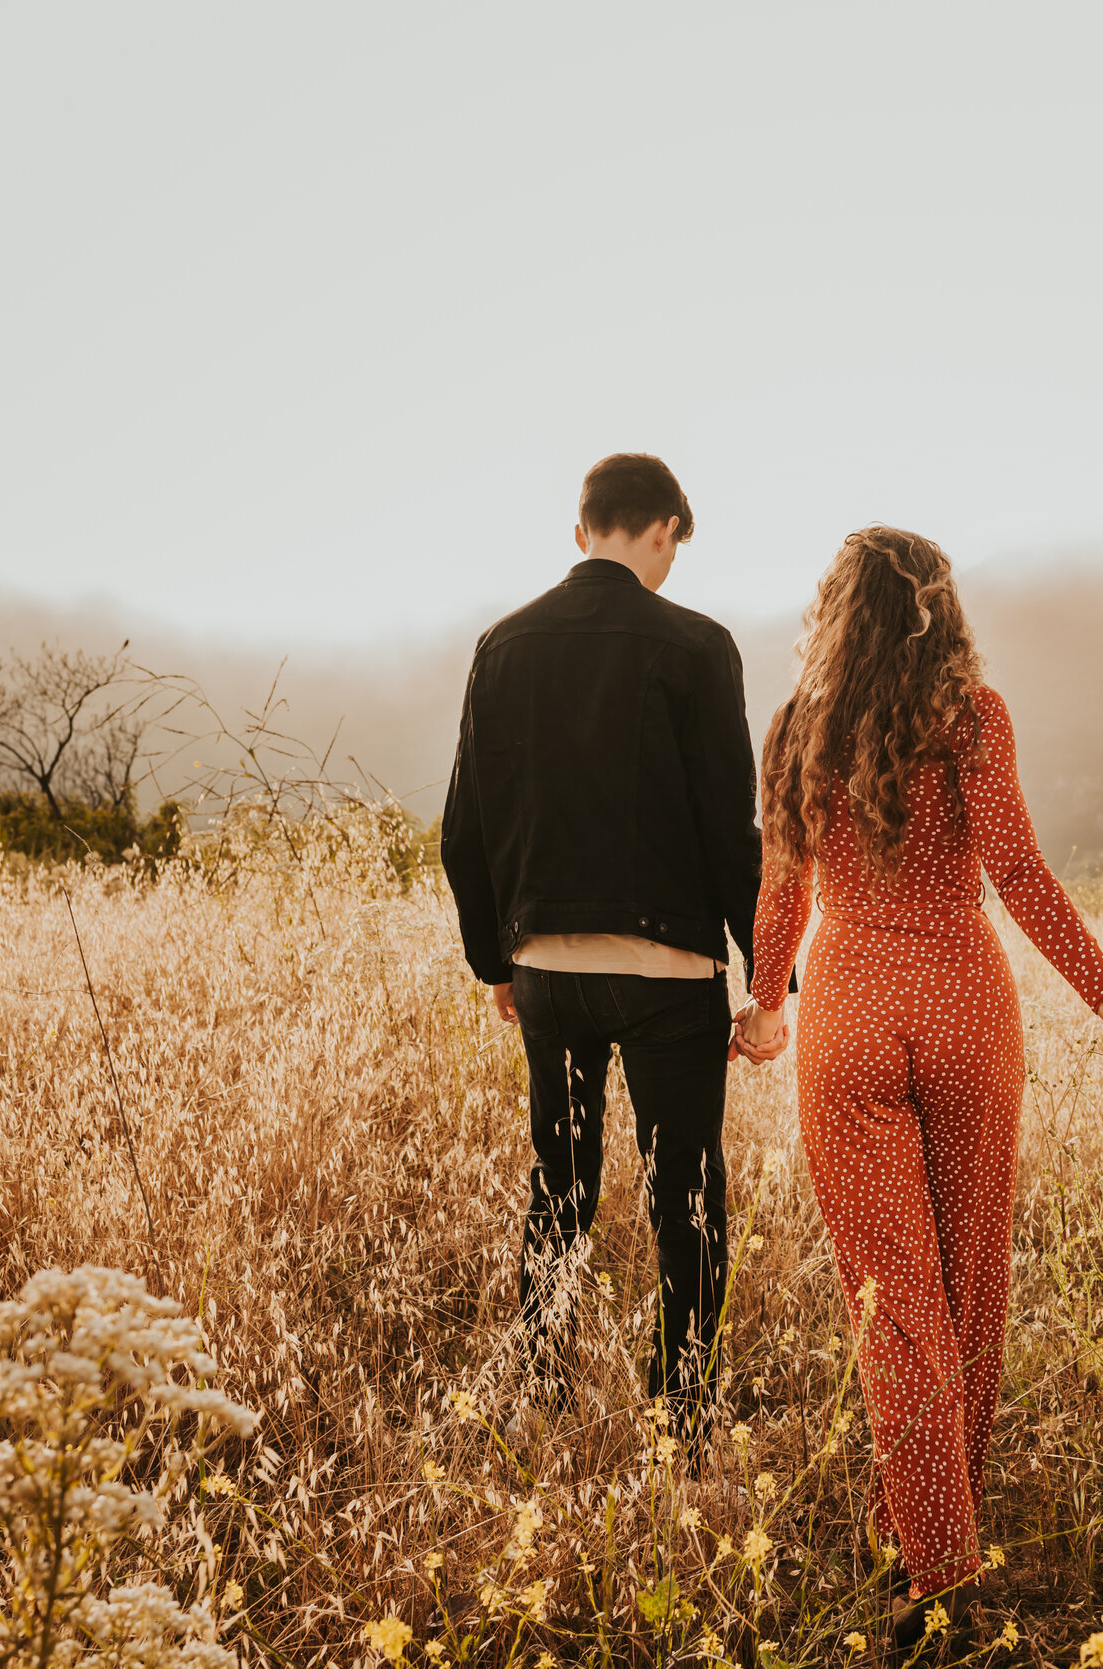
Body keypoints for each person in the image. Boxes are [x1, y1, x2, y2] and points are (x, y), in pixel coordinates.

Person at [737, 526, 1103, 1652]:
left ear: (834, 609)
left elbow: (780, 875)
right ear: (941, 608)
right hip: (966, 1006)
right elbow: (1017, 868)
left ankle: (924, 1553)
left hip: (845, 1014)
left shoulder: (794, 728)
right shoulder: (971, 715)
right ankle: (938, 1561)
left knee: (891, 1308)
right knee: (967, 1287)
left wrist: (767, 997)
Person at [440, 453, 780, 1426]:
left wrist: (493, 957)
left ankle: (539, 1383)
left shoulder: (502, 644)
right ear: (666, 526)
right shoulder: (698, 644)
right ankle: (680, 1412)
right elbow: (729, 829)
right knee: (687, 1193)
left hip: (544, 965)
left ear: (581, 527)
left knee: (561, 1178)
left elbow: (466, 824)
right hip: (667, 969)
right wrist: (769, 978)